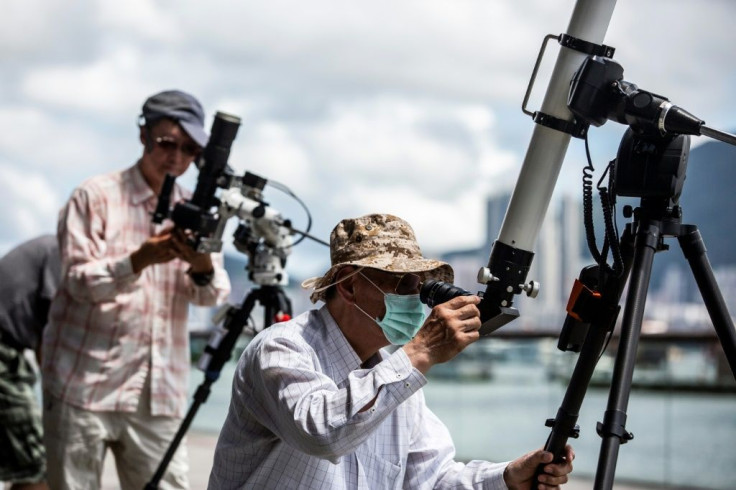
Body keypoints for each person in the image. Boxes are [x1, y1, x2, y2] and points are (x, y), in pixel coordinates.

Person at [208, 213, 574, 489]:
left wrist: (509, 476)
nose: (417, 297)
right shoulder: (283, 347)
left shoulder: (395, 374)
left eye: (422, 285)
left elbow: (433, 479)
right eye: (403, 283)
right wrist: (420, 353)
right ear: (350, 287)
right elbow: (320, 432)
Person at [41, 89, 232, 489]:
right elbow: (76, 282)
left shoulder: (196, 210)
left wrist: (199, 266)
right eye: (166, 143)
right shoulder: (93, 197)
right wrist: (140, 259)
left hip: (158, 393)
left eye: (189, 149)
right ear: (143, 135)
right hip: (83, 387)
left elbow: (213, 295)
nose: (177, 156)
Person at [0, 235, 60, 490]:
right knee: (38, 467)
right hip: (3, 353)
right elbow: (48, 342)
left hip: (8, 349)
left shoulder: (48, 246)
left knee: (26, 465)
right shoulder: (60, 251)